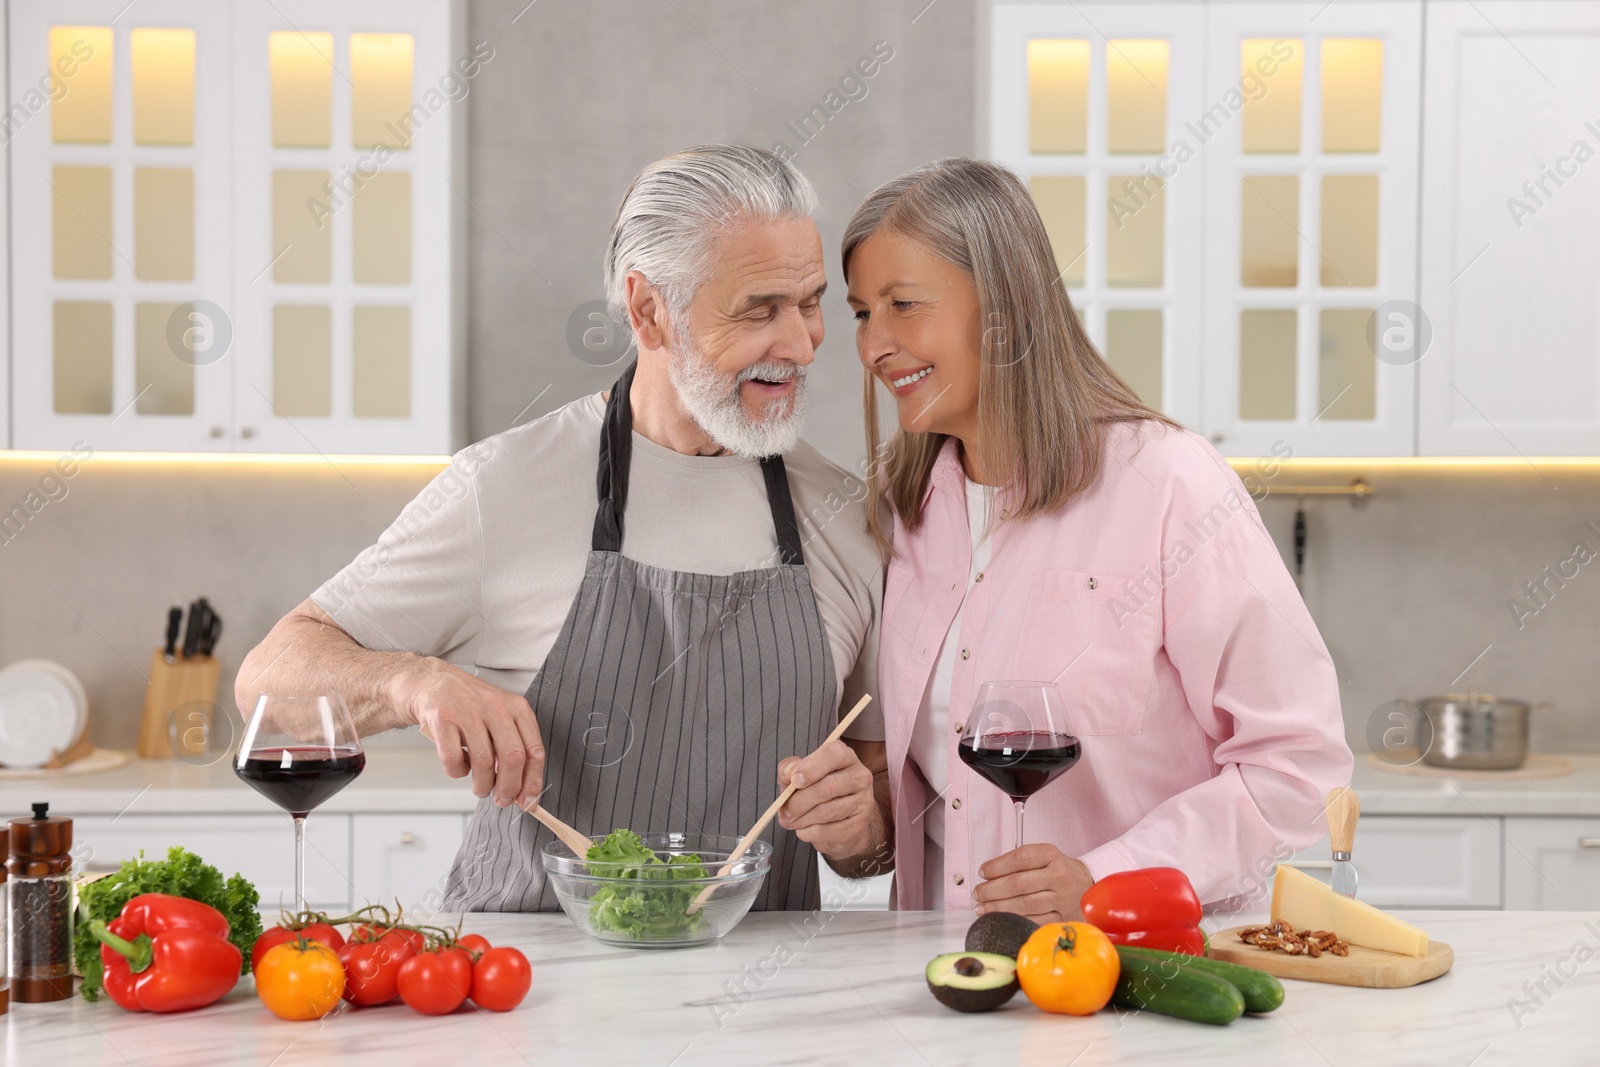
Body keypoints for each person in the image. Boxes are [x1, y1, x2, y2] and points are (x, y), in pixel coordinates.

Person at [238, 145, 891, 911]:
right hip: (524, 1000)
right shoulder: (505, 488)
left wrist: (864, 825)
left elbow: (878, 818)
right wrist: (411, 681)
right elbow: (266, 687)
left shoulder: (849, 520)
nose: (804, 341)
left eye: (811, 302)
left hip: (758, 1009)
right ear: (649, 309)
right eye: (760, 309)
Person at [842, 158, 1353, 920]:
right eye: (859, 313)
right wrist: (860, 821)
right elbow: (929, 797)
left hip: (1141, 978)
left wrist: (1107, 876)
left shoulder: (1169, 483)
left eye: (903, 305)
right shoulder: (899, 507)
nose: (876, 344)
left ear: (1005, 310)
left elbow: (1300, 766)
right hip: (953, 983)